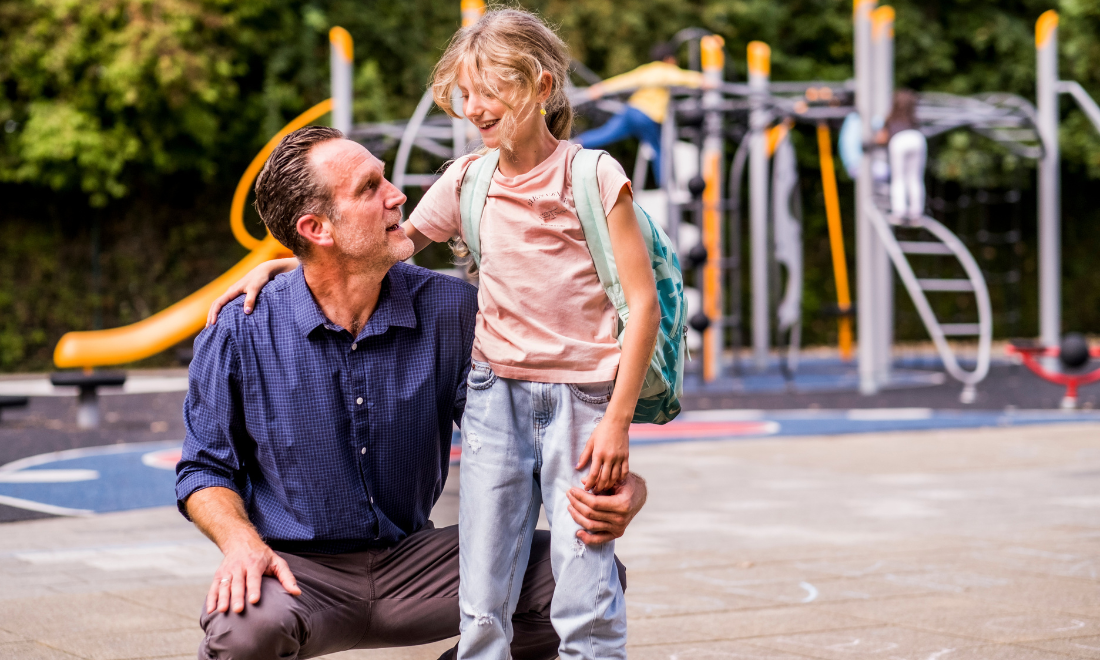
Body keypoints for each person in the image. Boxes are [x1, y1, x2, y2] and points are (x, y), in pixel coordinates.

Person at [206, 9, 660, 660]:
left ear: (538, 84)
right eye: (463, 94)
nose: (471, 108)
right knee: (483, 577)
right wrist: (295, 262)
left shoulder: (592, 179)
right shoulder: (467, 181)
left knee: (585, 569)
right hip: (496, 391)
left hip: (580, 393)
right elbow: (386, 248)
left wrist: (618, 428)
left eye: (485, 91)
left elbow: (641, 307)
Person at [575, 42, 707, 186]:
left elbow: (624, 81)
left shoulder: (646, 70)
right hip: (646, 115)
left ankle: (573, 144)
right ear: (669, 59)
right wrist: (707, 81)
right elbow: (687, 78)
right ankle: (666, 186)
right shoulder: (666, 70)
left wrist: (600, 89)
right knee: (659, 149)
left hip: (630, 110)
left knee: (605, 133)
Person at [878, 89, 927, 220]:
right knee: (915, 178)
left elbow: (881, 138)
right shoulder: (914, 119)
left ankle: (899, 211)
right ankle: (916, 211)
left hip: (898, 141)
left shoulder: (890, 118)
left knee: (898, 178)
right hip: (917, 139)